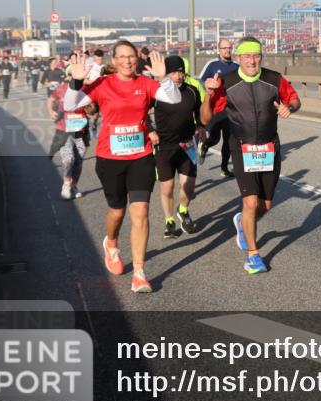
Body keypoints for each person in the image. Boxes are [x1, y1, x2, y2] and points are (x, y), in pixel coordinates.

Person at [64, 41, 179, 293]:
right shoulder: (103, 84)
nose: (128, 61)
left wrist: (164, 79)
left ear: (137, 59)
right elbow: (70, 105)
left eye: (132, 57)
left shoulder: (145, 83)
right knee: (117, 212)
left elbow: (173, 99)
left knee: (141, 212)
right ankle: (112, 244)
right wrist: (76, 81)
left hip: (140, 157)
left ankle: (139, 272)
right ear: (114, 60)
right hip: (110, 159)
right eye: (122, 57)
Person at [200, 38, 301, 275]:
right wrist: (208, 94)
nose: (252, 60)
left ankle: (242, 222)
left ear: (261, 57)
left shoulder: (274, 79)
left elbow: (295, 99)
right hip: (242, 148)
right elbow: (205, 119)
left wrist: (290, 108)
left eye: (256, 55)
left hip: (269, 149)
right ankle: (253, 256)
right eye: (247, 56)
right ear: (238, 58)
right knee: (251, 202)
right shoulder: (226, 83)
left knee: (265, 205)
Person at [152, 56, 204, 238]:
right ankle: (169, 221)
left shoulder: (192, 91)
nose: (178, 76)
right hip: (164, 145)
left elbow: (199, 113)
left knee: (189, 186)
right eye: (173, 72)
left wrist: (201, 127)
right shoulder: (157, 92)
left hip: (187, 143)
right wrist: (150, 131)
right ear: (166, 74)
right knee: (167, 188)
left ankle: (183, 209)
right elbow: (142, 112)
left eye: (180, 72)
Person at [48, 67, 91, 200]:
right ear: (69, 76)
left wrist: (91, 107)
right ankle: (66, 184)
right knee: (68, 158)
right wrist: (51, 112)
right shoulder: (61, 88)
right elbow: (50, 100)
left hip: (80, 131)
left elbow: (93, 108)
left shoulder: (85, 89)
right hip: (64, 130)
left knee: (78, 161)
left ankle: (74, 185)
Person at [198, 40, 238, 176]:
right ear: (219, 50)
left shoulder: (236, 66)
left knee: (229, 139)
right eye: (224, 48)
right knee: (215, 138)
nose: (227, 50)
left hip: (230, 109)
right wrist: (209, 85)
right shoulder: (212, 65)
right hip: (215, 109)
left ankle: (224, 168)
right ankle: (205, 146)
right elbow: (201, 80)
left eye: (229, 47)